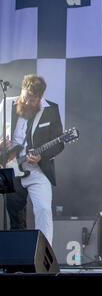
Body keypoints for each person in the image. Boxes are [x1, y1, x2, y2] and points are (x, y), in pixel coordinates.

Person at [0, 74, 64, 245]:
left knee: (43, 210)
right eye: (25, 97)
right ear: (22, 91)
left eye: (32, 100)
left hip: (38, 170)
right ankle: (18, 263)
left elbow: (59, 144)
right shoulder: (6, 105)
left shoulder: (51, 109)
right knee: (15, 219)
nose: (27, 103)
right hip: (11, 169)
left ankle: (45, 257)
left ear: (40, 97)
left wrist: (41, 155)